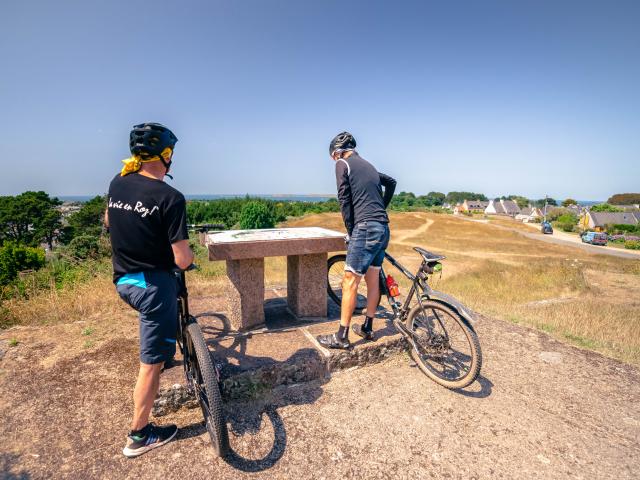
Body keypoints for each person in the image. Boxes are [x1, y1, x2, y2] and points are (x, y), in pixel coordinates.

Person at [105, 122, 194, 458]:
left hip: (124, 281)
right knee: (150, 365)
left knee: (158, 337)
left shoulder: (118, 182)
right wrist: (188, 258)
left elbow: (109, 222)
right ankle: (139, 435)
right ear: (166, 155)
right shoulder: (170, 197)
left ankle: (166, 351)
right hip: (153, 288)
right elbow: (181, 258)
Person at [317, 132, 396, 350]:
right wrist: (381, 206)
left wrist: (351, 231)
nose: (334, 161)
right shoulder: (368, 166)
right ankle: (368, 327)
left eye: (333, 156)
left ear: (337, 152)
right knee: (372, 278)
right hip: (383, 228)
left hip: (365, 228)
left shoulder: (343, 163)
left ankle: (341, 336)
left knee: (349, 281)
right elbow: (391, 182)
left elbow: (344, 199)